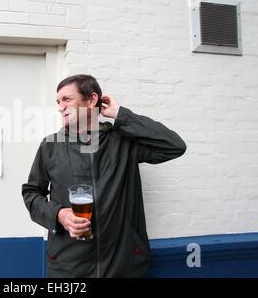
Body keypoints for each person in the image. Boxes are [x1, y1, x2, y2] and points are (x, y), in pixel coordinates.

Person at [22, 74, 187, 277]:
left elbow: (175, 146)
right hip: (69, 267)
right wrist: (59, 215)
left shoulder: (123, 142)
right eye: (58, 101)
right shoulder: (50, 146)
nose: (60, 107)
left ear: (91, 100)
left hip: (123, 264)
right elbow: (31, 193)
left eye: (67, 99)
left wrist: (120, 114)